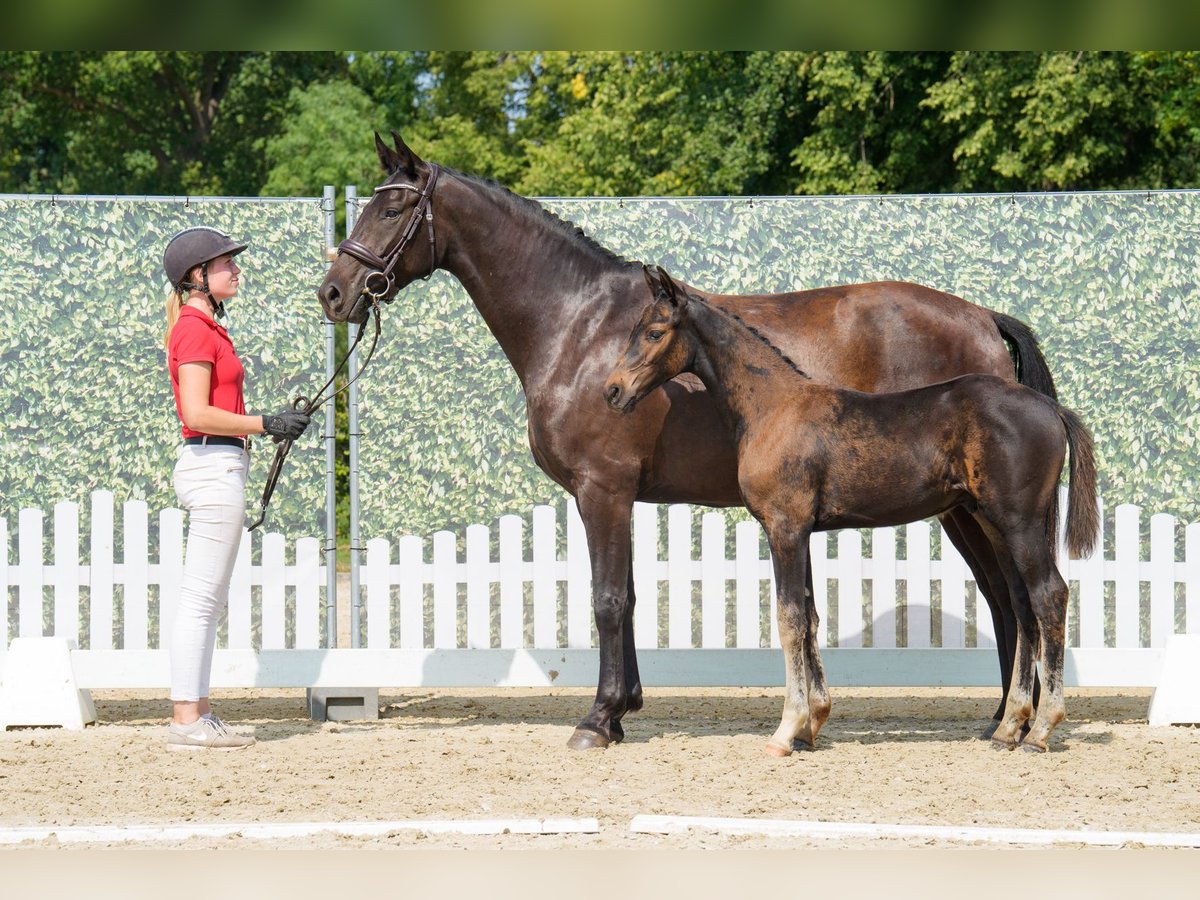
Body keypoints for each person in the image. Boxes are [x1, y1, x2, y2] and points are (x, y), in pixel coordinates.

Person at [161, 226, 311, 751]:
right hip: (213, 466)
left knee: (207, 599)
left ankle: (197, 712)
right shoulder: (196, 331)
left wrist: (265, 424)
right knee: (201, 599)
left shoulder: (204, 328)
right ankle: (186, 718)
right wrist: (264, 423)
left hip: (220, 464)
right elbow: (196, 412)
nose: (235, 270)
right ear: (197, 277)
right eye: (225, 263)